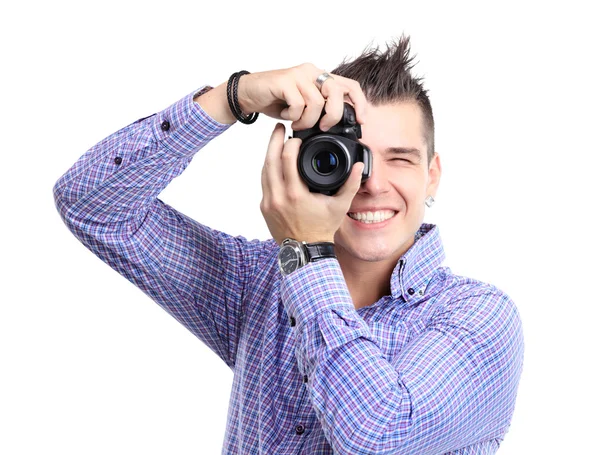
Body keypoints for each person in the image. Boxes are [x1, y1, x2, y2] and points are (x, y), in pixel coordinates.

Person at [53, 35, 524, 454]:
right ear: (305, 162)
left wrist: (305, 250)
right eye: (348, 156)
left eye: (399, 159)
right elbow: (91, 205)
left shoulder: (480, 318)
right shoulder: (257, 282)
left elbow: (376, 435)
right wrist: (230, 98)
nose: (369, 182)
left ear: (432, 175)